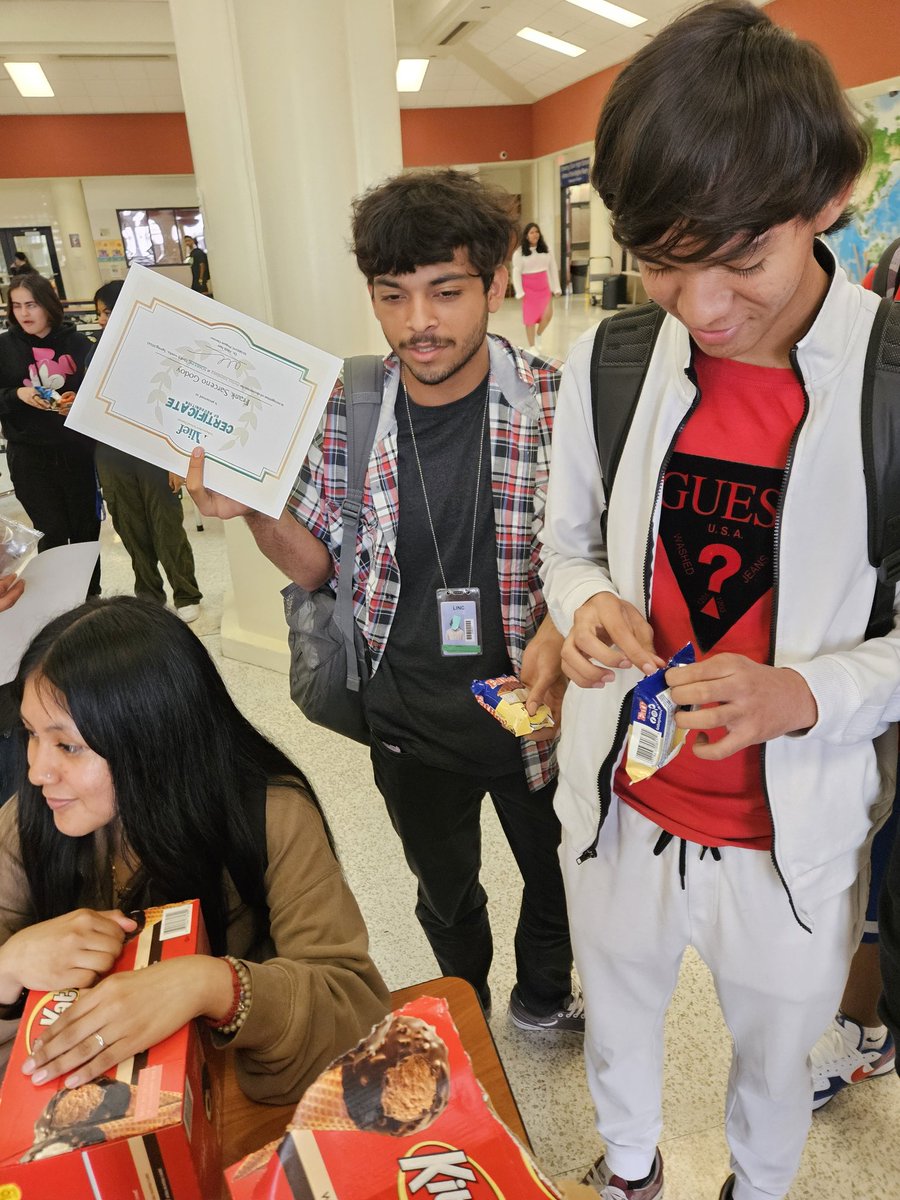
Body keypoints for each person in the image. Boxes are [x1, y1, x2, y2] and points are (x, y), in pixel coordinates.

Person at [538, 4, 899, 1199]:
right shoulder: (612, 356)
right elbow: (569, 541)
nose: (699, 307)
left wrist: (805, 690)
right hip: (623, 798)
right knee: (621, 1015)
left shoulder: (887, 386)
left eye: (742, 259)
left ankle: (759, 1183)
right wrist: (583, 600)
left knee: (774, 1058)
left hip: (786, 835)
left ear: (831, 197)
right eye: (662, 262)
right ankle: (631, 1170)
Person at [187, 168, 581, 1032]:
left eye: (445, 291)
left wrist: (562, 630)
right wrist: (255, 506)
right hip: (407, 714)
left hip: (537, 710)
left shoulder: (558, 406)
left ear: (496, 281)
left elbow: (590, 559)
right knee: (443, 890)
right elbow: (321, 567)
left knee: (559, 873)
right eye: (392, 295)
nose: (419, 323)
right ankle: (463, 1002)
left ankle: (546, 991)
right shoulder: (349, 407)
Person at [0, 596, 390, 1100]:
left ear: (153, 735)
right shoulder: (31, 817)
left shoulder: (270, 816)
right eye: (31, 735)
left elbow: (355, 1011)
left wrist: (214, 986)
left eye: (69, 746)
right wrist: (9, 966)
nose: (36, 772)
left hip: (226, 1106)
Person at [93, 281, 203, 622]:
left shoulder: (161, 348)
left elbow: (178, 405)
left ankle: (186, 593)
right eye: (99, 314)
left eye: (107, 312)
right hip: (111, 452)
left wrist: (176, 459)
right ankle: (149, 595)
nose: (100, 321)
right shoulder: (93, 353)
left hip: (155, 452)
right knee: (129, 527)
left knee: (166, 526)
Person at [0, 273, 101, 596]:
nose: (24, 313)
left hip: (76, 450)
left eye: (31, 304)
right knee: (52, 530)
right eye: (16, 306)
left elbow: (101, 390)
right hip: (29, 452)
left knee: (86, 527)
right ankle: (58, 600)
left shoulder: (77, 344)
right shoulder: (4, 347)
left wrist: (78, 402)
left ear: (48, 305)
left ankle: (90, 595)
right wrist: (18, 394)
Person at [511, 223, 561, 351]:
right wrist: (519, 292)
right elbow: (516, 272)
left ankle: (538, 334)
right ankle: (532, 346)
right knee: (530, 319)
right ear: (526, 236)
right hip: (528, 290)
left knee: (548, 315)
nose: (535, 234)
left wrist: (557, 287)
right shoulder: (520, 253)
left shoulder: (546, 249)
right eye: (532, 232)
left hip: (544, 288)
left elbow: (553, 267)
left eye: (536, 231)